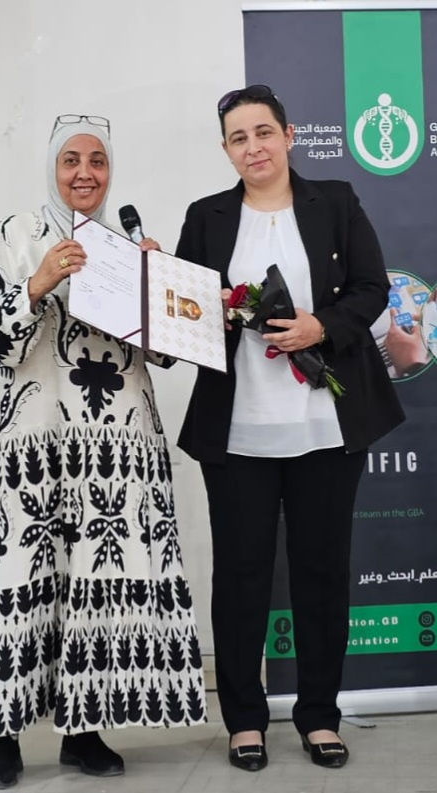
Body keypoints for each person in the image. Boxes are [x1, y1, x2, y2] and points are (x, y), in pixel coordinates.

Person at [0, 114, 206, 790]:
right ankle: (1, 738)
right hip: (27, 448)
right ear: (51, 168)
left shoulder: (125, 248)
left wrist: (160, 287)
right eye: (71, 160)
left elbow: (165, 355)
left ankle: (83, 731)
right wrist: (37, 282)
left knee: (95, 583)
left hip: (111, 452)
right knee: (14, 579)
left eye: (97, 160)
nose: (85, 172)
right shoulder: (11, 236)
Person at [175, 85, 404, 771]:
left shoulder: (334, 201)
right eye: (238, 138)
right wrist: (184, 299)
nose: (253, 147)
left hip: (325, 427)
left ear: (288, 135)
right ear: (225, 150)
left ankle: (318, 716)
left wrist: (319, 327)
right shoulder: (206, 216)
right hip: (237, 430)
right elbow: (185, 314)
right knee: (240, 576)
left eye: (263, 132)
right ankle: (244, 721)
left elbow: (371, 288)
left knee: (320, 573)